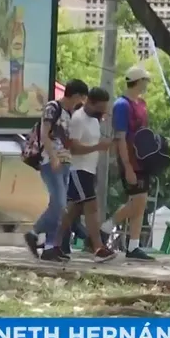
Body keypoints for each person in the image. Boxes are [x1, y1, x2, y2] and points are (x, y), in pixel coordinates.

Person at [23, 79, 89, 262]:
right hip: (50, 161)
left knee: (58, 207)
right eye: (82, 98)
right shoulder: (53, 107)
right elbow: (45, 134)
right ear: (76, 95)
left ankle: (50, 247)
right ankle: (33, 233)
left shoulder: (71, 113)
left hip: (66, 162)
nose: (82, 102)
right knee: (59, 203)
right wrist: (52, 157)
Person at [51, 87, 117, 263]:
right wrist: (98, 147)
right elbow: (74, 147)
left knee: (72, 211)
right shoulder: (78, 119)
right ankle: (98, 248)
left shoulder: (94, 120)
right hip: (78, 169)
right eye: (100, 107)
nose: (102, 111)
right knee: (91, 207)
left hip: (89, 170)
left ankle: (53, 243)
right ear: (90, 102)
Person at [100, 66, 156, 261]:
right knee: (138, 200)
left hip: (143, 158)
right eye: (145, 80)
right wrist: (127, 165)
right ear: (138, 81)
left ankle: (133, 245)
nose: (147, 84)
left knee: (140, 202)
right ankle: (107, 227)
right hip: (130, 158)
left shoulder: (142, 103)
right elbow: (120, 137)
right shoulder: (122, 105)